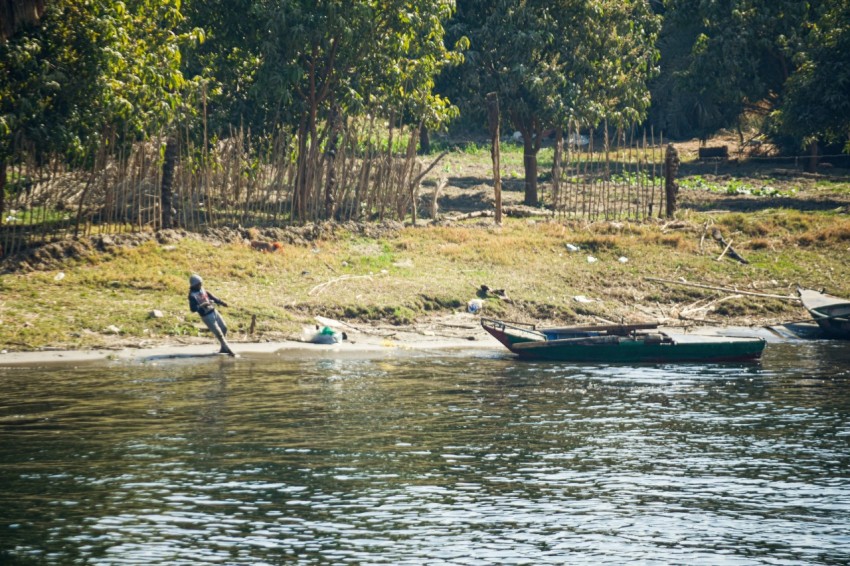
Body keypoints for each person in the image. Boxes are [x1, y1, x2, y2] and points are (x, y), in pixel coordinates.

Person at [188, 273, 235, 356]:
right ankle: (228, 349)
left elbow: (211, 297)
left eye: (201, 283)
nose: (201, 285)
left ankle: (223, 348)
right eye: (199, 284)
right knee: (219, 333)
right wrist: (203, 305)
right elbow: (193, 309)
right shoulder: (192, 295)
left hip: (213, 311)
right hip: (206, 316)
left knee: (224, 328)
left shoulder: (201, 289)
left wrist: (222, 302)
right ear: (194, 285)